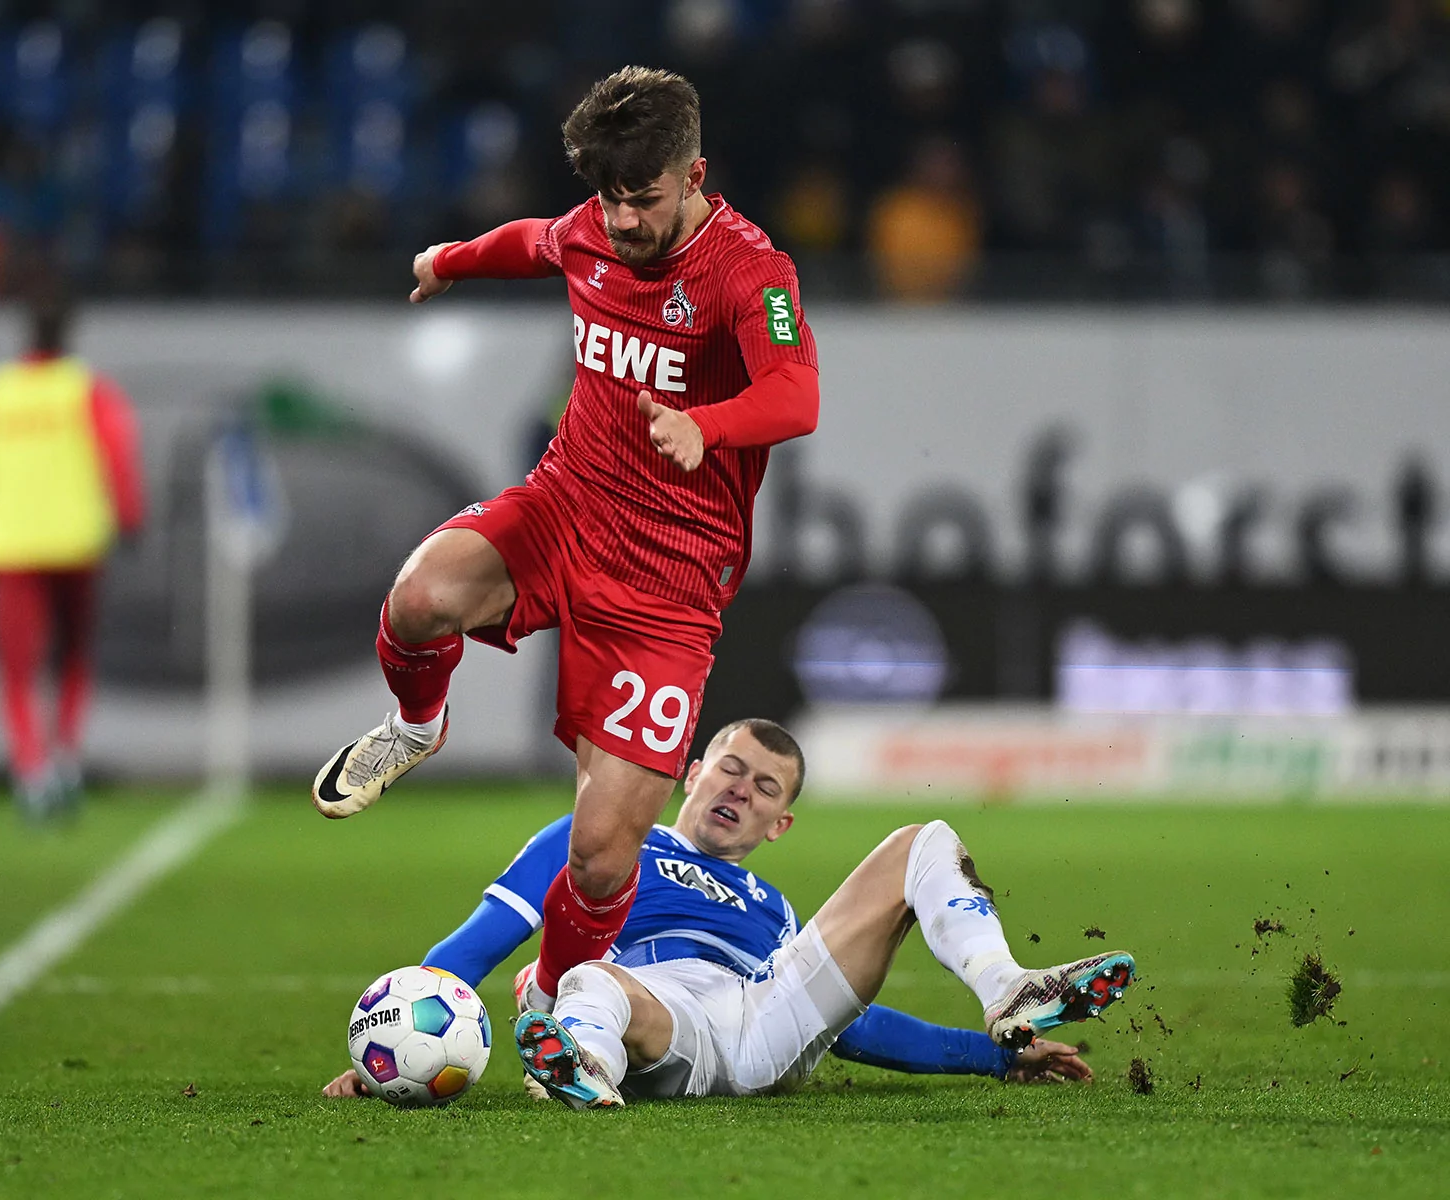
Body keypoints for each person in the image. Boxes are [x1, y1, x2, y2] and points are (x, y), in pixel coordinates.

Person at [312, 66, 821, 1014]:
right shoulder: (596, 225)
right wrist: (452, 261)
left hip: (668, 584)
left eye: (644, 199)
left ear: (694, 173)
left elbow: (796, 395)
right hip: (566, 506)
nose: (622, 222)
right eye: (609, 198)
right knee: (420, 600)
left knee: (599, 857)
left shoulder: (752, 271)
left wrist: (708, 425)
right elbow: (537, 244)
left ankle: (553, 1002)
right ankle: (417, 728)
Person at [323, 720, 1134, 1106]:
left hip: (769, 1011)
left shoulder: (776, 909)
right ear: (691, 772)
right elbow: (481, 939)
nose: (742, 789)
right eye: (732, 769)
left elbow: (849, 1028)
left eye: (766, 788)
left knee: (925, 838)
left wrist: (993, 1059)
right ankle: (583, 1070)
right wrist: (390, 1045)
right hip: (660, 1012)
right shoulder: (605, 836)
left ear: (778, 825)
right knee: (595, 983)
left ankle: (1007, 990)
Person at [0, 286, 145, 819]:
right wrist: (129, 520)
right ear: (70, 333)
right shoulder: (88, 390)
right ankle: (67, 760)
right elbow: (119, 458)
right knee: (72, 658)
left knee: (16, 671)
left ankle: (32, 774)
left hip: (9, 544)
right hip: (75, 541)